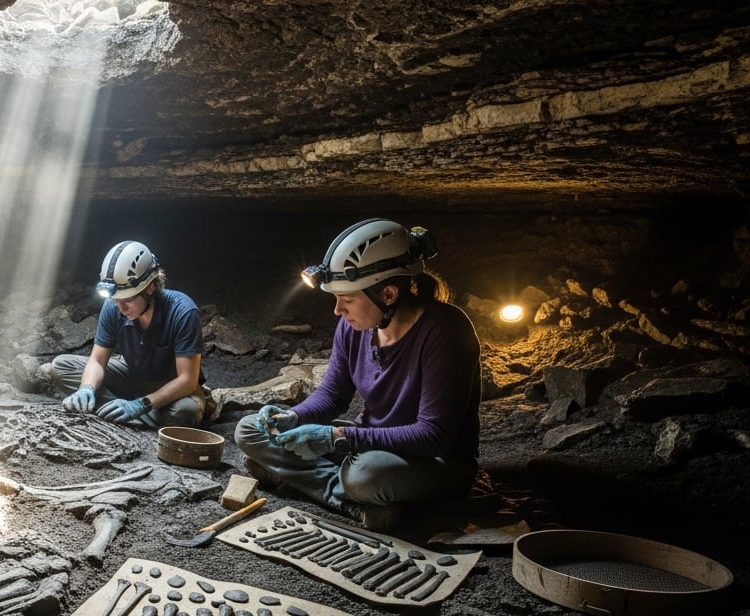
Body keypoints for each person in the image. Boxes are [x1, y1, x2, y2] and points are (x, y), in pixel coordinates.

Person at [234, 218, 481, 532]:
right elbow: (334, 395)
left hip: (433, 462)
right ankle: (354, 502)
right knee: (250, 429)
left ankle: (316, 483)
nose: (337, 311)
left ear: (388, 295)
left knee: (364, 476)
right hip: (369, 445)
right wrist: (294, 417)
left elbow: (433, 437)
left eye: (347, 300)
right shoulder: (355, 328)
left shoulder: (445, 331)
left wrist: (338, 438)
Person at [50, 240, 207, 428]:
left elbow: (187, 381)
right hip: (131, 374)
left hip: (170, 385)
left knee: (187, 412)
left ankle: (118, 409)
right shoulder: (114, 306)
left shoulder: (183, 311)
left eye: (128, 300)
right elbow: (98, 361)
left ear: (150, 287)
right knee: (61, 366)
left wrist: (141, 404)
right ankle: (119, 410)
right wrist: (87, 388)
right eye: (115, 299)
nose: (120, 307)